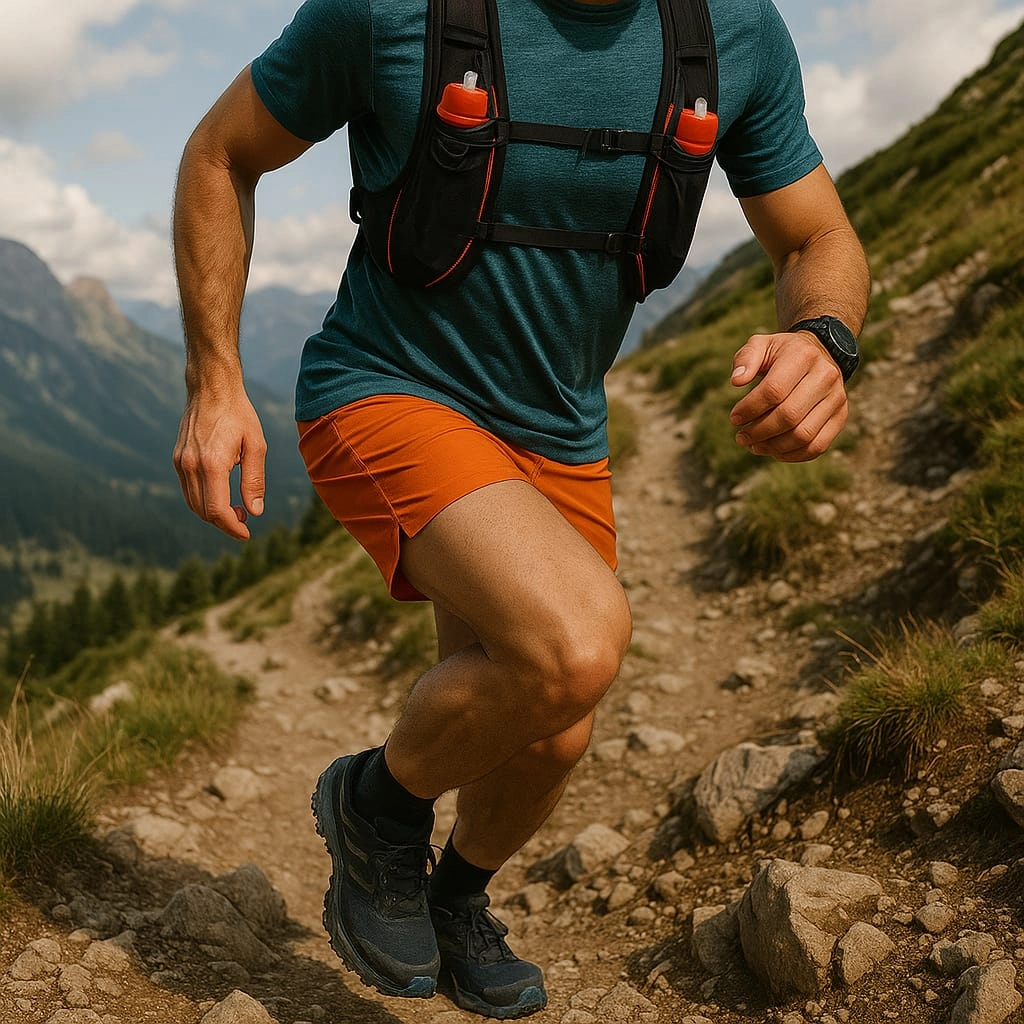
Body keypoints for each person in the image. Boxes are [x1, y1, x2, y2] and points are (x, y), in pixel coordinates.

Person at [172, 0, 870, 1017]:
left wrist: (822, 338)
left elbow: (817, 234)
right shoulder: (387, 10)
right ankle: (375, 805)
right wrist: (215, 380)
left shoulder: (733, 33)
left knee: (551, 728)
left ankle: (454, 897)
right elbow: (219, 152)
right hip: (385, 385)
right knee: (573, 642)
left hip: (558, 426)